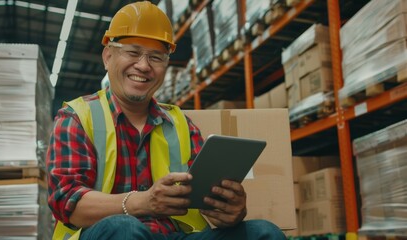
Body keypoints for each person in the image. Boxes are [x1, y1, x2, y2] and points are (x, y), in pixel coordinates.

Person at [46, 2, 286, 239]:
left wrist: (231, 211)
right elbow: (66, 201)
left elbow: (205, 199)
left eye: (156, 57)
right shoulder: (76, 118)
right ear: (108, 57)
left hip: (173, 235)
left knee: (264, 233)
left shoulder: (180, 123)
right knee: (125, 229)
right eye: (133, 52)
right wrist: (143, 202)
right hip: (106, 234)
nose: (143, 65)